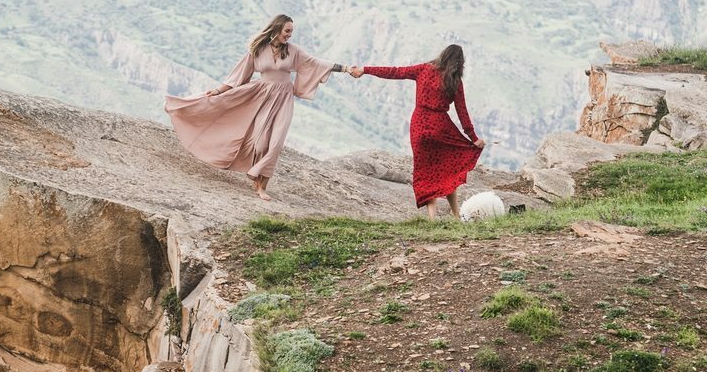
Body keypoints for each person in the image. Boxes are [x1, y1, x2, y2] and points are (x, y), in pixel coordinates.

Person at [166, 14, 345, 201]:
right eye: (287, 31)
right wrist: (219, 91)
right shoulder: (258, 50)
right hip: (260, 96)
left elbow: (316, 63)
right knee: (259, 144)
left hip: (283, 99)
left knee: (275, 143)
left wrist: (345, 68)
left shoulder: (294, 51)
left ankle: (262, 187)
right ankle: (255, 176)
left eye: (291, 31)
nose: (290, 35)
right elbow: (238, 75)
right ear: (276, 29)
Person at [348, 45, 486, 220]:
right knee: (449, 172)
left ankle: (432, 218)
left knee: (426, 172)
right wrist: (473, 138)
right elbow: (462, 113)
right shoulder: (455, 81)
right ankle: (457, 216)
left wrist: (364, 70)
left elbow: (394, 72)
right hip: (441, 127)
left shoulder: (423, 69)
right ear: (460, 63)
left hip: (419, 126)